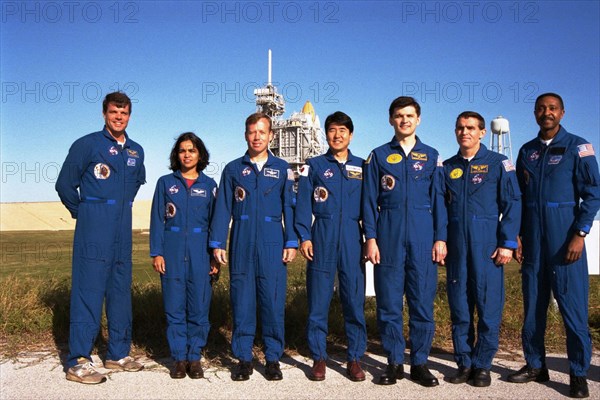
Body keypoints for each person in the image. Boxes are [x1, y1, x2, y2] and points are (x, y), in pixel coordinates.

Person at [508, 93, 600, 399]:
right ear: (535, 113)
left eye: (552, 108)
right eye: (541, 109)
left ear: (562, 112)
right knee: (533, 306)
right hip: (533, 239)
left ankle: (578, 372)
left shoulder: (579, 146)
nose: (546, 113)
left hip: (565, 239)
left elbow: (593, 194)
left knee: (572, 308)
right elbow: (519, 198)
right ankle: (535, 364)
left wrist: (580, 233)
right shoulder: (526, 151)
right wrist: (518, 235)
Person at [55, 91, 146, 384]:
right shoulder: (87, 145)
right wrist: (85, 211)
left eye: (124, 113)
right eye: (113, 112)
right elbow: (65, 185)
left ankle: (118, 354)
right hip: (94, 225)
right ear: (104, 113)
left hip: (122, 227)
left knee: (120, 290)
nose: (119, 117)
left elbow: (135, 185)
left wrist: (118, 208)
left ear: (129, 115)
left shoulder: (135, 151)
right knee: (89, 291)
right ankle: (79, 361)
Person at [362, 96, 447, 387]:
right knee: (389, 303)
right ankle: (395, 361)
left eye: (410, 115)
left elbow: (440, 202)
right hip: (389, 233)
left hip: (423, 235)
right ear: (391, 120)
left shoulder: (433, 155)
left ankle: (420, 363)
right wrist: (371, 238)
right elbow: (368, 202)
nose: (404, 120)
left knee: (422, 302)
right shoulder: (379, 156)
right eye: (399, 115)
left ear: (419, 119)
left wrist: (440, 238)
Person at [209, 112, 298, 381]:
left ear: (271, 135)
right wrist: (217, 242)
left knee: (272, 300)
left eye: (262, 131)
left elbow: (289, 208)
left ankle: (272, 358)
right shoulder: (234, 169)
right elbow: (223, 207)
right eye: (252, 132)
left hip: (273, 237)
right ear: (245, 135)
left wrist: (291, 240)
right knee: (242, 299)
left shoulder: (283, 169)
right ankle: (244, 358)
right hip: (242, 235)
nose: (257, 136)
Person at [443, 112, 521, 387]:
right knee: (460, 308)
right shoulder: (448, 167)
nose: (465, 132)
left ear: (483, 132)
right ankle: (464, 362)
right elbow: (440, 209)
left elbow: (512, 203)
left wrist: (507, 243)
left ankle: (483, 365)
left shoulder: (498, 163)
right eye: (461, 128)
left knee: (488, 307)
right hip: (456, 248)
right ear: (455, 132)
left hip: (487, 245)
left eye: (471, 128)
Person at [295, 111, 367, 382]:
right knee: (318, 300)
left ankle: (354, 358)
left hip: (351, 235)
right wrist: (305, 236)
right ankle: (319, 357)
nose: (337, 135)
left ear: (351, 134)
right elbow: (302, 205)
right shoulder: (313, 166)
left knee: (353, 300)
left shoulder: (363, 166)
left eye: (342, 130)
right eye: (332, 130)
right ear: (326, 134)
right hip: (322, 235)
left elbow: (369, 206)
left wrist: (369, 237)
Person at [150, 132, 219, 379]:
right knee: (175, 307)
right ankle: (179, 358)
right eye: (182, 150)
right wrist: (157, 252)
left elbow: (216, 223)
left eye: (191, 150)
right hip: (173, 248)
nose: (187, 154)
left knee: (199, 307)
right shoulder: (165, 183)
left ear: (200, 154)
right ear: (176, 155)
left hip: (201, 251)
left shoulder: (210, 186)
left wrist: (214, 255)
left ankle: (194, 356)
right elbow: (157, 220)